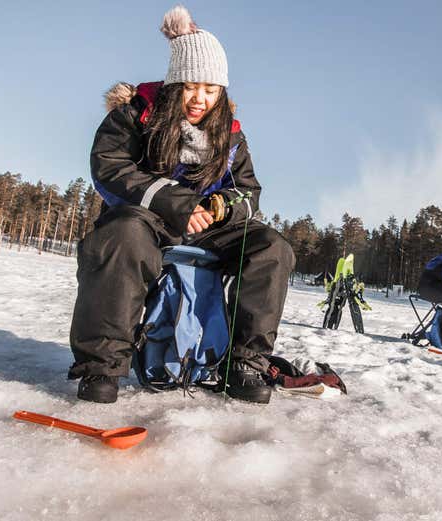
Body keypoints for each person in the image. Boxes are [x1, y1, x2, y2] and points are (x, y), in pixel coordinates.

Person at [68, 6, 295, 404]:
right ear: (175, 83)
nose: (200, 99)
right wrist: (178, 204)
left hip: (209, 225)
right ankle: (101, 366)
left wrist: (223, 207)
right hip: (146, 219)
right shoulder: (135, 116)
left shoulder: (232, 136)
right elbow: (110, 167)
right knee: (122, 236)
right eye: (192, 86)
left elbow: (248, 191)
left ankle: (244, 363)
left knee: (271, 248)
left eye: (211, 90)